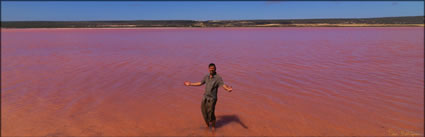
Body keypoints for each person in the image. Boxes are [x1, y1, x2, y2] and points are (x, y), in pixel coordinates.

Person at [184, 63, 233, 131]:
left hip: (212, 99)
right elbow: (200, 83)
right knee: (203, 112)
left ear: (215, 69)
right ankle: (207, 125)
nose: (212, 70)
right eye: (210, 69)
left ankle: (213, 127)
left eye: (213, 69)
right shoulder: (206, 76)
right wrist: (190, 84)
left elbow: (223, 85)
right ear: (208, 69)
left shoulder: (218, 78)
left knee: (211, 114)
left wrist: (228, 89)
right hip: (205, 97)